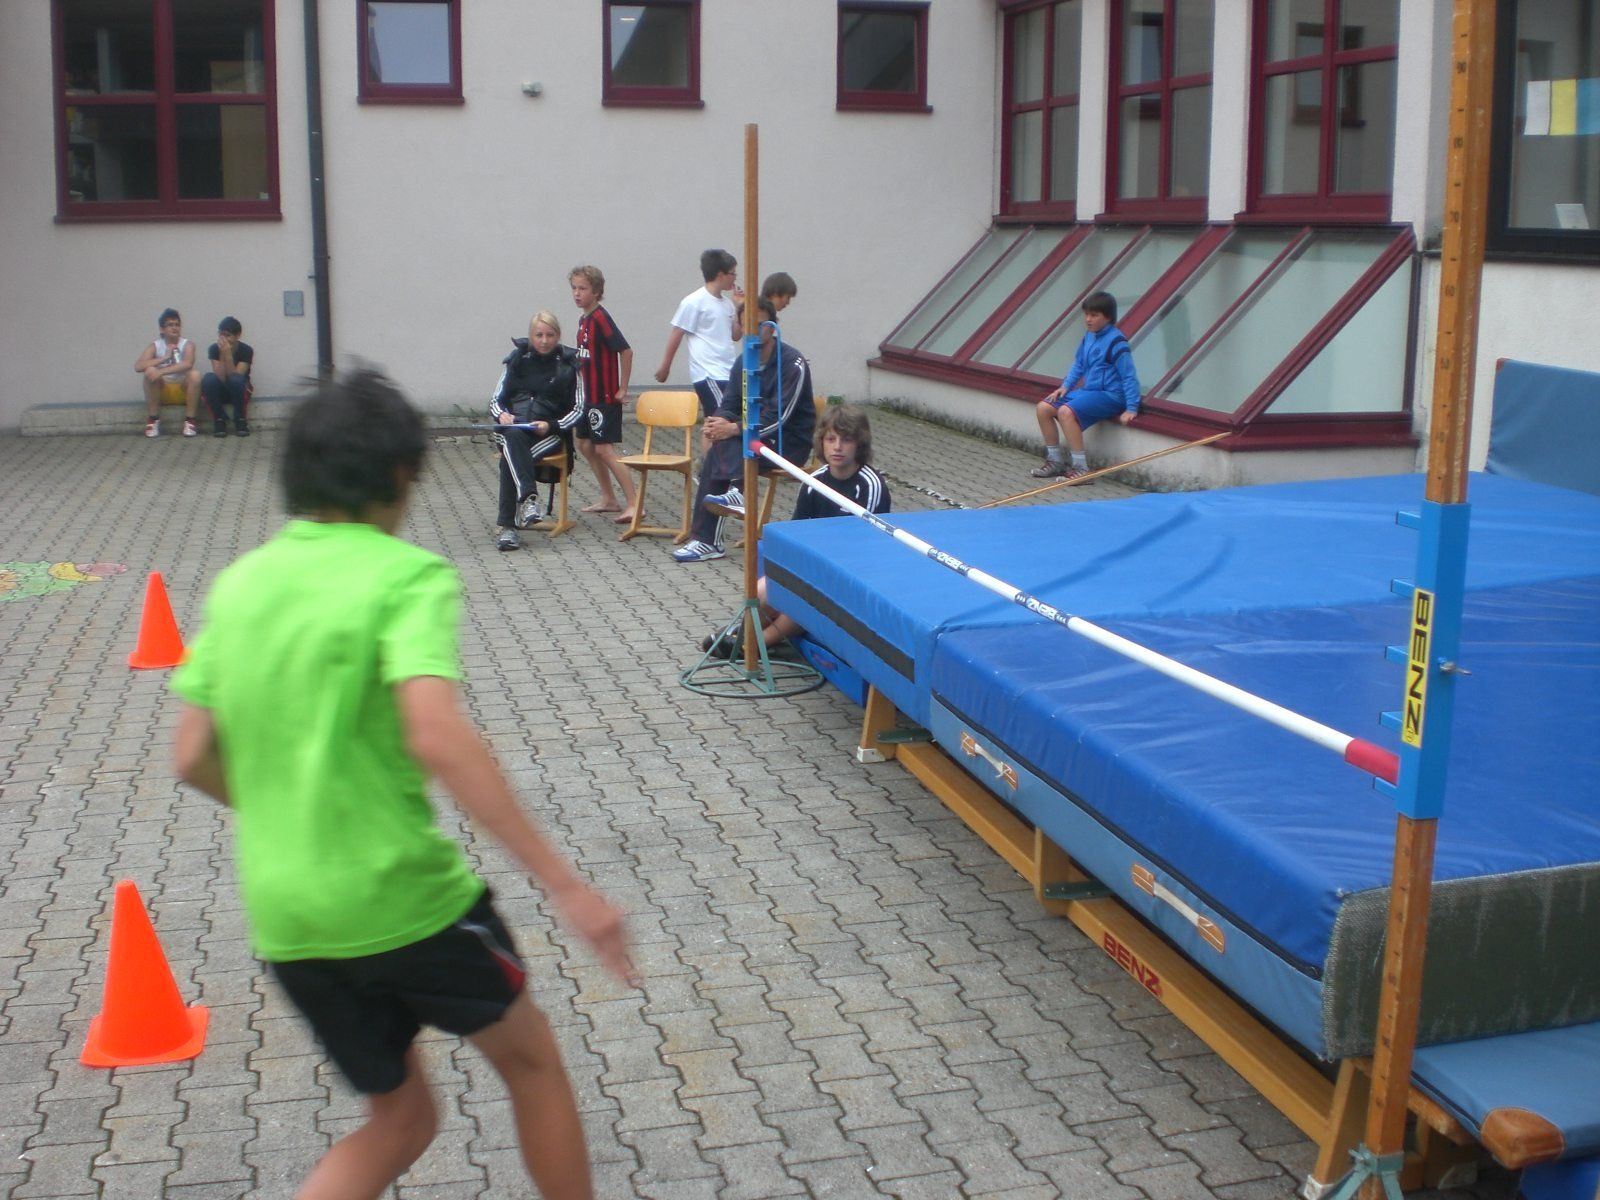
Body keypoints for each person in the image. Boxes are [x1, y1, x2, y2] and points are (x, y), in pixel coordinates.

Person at [171, 368, 634, 1200]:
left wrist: (293, 806)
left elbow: (191, 754)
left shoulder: (238, 586)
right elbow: (437, 735)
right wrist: (567, 886)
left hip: (289, 919)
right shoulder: (405, 577)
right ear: (396, 476)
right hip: (402, 899)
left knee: (402, 1120)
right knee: (533, 1065)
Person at [704, 405, 889, 660]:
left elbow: (867, 547)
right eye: (831, 439)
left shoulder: (870, 484)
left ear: (860, 444)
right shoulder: (815, 481)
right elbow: (797, 531)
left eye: (846, 440)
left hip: (853, 573)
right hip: (816, 564)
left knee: (808, 599)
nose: (837, 447)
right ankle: (741, 634)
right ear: (821, 442)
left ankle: (751, 645)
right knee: (762, 591)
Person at [672, 298, 814, 564]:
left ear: (772, 326)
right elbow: (729, 404)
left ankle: (713, 531)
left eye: (759, 325)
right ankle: (721, 519)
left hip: (788, 442)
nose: (752, 332)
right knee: (721, 444)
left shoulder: (792, 363)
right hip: (752, 440)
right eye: (746, 325)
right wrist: (717, 424)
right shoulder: (742, 363)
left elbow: (779, 417)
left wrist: (733, 428)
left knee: (729, 444)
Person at [490, 312, 586, 552]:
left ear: (558, 336)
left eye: (549, 335)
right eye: (539, 335)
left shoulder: (569, 365)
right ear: (531, 336)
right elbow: (495, 401)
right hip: (513, 429)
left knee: (509, 459)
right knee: (512, 438)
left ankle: (509, 527)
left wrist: (550, 425)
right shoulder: (517, 360)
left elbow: (579, 409)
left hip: (548, 434)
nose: (544, 341)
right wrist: (502, 415)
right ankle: (529, 500)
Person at [1032, 290, 1140, 479]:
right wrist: (1065, 386)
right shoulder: (1089, 336)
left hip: (1111, 395)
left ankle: (1081, 470)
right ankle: (1055, 461)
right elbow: (1079, 364)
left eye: (1094, 315)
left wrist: (1131, 407)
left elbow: (1129, 376)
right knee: (1043, 408)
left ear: (1108, 317)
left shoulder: (1117, 342)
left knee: (1066, 412)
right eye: (1086, 314)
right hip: (1090, 392)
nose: (1088, 319)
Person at [568, 266, 638, 526]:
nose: (577, 293)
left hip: (604, 397)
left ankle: (634, 503)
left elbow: (626, 351)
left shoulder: (600, 318)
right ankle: (609, 498)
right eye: (574, 288)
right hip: (587, 396)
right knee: (585, 445)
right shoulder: (584, 320)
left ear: (596, 292)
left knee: (604, 449)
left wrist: (622, 388)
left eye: (583, 288)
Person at [652, 248, 740, 422]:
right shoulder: (694, 302)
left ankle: (708, 441)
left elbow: (735, 335)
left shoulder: (728, 304)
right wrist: (665, 366)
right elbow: (677, 332)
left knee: (716, 420)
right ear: (720, 275)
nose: (735, 278)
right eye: (733, 273)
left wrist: (739, 308)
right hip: (708, 373)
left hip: (727, 371)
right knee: (722, 418)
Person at [135, 308, 202, 438]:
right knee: (150, 371)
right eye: (170, 325)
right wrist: (164, 358)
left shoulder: (188, 344)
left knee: (195, 375)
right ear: (162, 329)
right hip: (162, 391)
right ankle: (153, 419)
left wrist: (161, 371)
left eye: (177, 324)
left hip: (183, 390)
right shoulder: (155, 345)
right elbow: (138, 366)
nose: (174, 328)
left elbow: (188, 363)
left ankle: (190, 421)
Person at [202, 316, 254, 437]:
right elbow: (220, 377)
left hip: (240, 390)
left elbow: (235, 376)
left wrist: (228, 356)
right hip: (222, 389)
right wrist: (222, 355)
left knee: (236, 380)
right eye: (221, 335)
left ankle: (240, 419)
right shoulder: (214, 349)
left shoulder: (246, 350)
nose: (224, 339)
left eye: (228, 335)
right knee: (208, 379)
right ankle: (219, 419)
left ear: (238, 335)